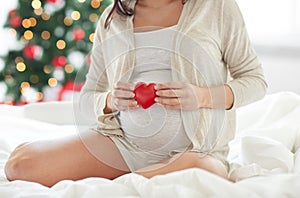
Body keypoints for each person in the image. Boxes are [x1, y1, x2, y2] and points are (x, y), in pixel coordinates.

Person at [5, 0, 267, 187]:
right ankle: (139, 178)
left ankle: (126, 183)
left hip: (197, 152)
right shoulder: (112, 19)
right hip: (124, 144)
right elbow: (86, 100)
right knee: (18, 164)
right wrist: (110, 100)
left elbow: (255, 81)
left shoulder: (217, 7)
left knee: (203, 170)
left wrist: (202, 96)